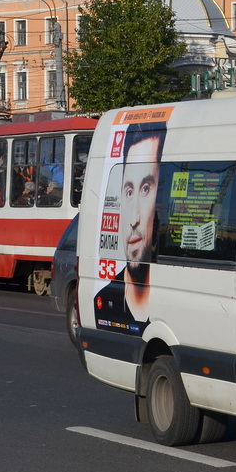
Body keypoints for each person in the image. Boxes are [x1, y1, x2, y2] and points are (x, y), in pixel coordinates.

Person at [94, 122, 166, 334]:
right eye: (128, 191)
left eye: (146, 188)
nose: (133, 218)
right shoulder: (104, 300)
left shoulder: (172, 300)